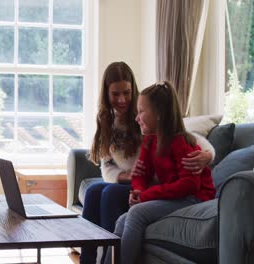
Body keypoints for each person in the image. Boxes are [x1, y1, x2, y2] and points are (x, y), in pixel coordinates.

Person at [80, 62, 215, 264]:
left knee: (116, 200)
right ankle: (89, 261)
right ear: (106, 94)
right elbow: (122, 170)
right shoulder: (133, 130)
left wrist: (207, 156)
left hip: (173, 191)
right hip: (147, 187)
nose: (122, 100)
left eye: (126, 93)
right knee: (94, 192)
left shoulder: (172, 136)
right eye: (115, 94)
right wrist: (135, 184)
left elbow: (196, 152)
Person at [113, 81, 216, 264]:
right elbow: (139, 175)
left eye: (142, 112)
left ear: (159, 114)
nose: (137, 118)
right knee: (122, 220)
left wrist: (146, 195)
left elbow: (189, 185)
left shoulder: (181, 143)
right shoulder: (150, 141)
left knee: (136, 214)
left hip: (195, 198)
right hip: (176, 197)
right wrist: (137, 191)